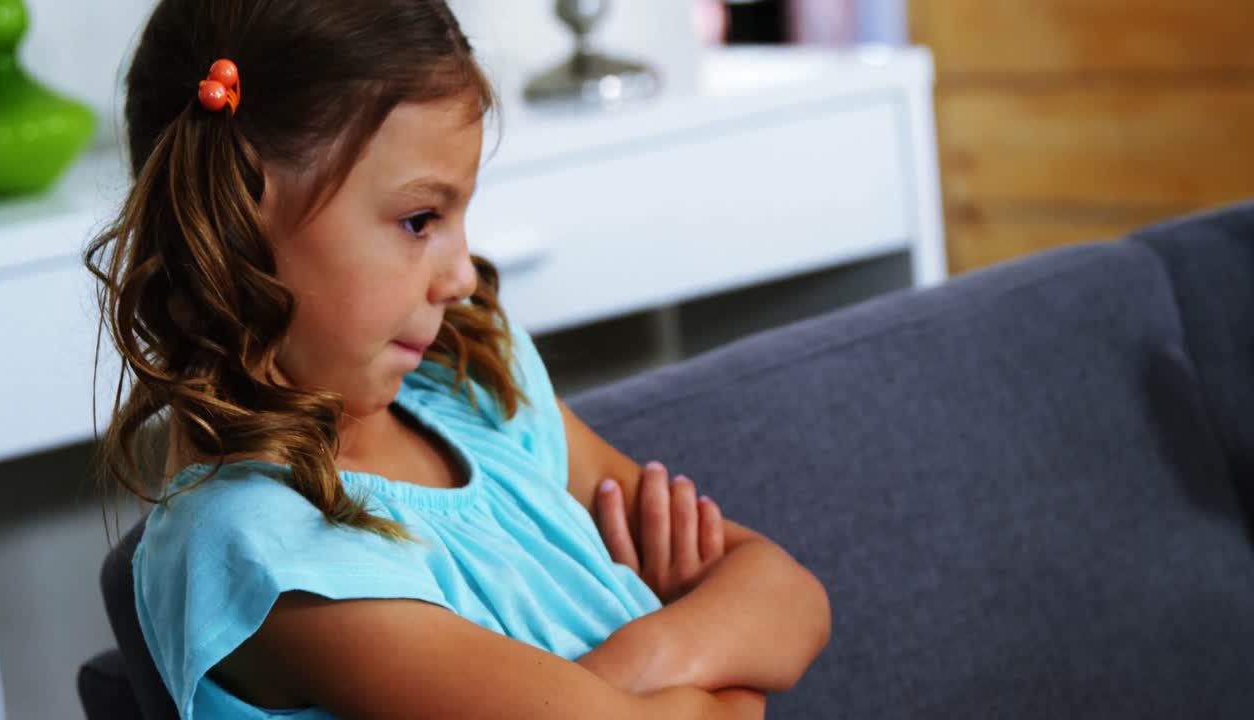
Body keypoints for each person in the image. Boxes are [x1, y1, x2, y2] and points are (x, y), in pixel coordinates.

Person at [84, 1, 830, 718]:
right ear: (237, 220)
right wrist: (727, 661)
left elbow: (791, 598)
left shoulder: (470, 383)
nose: (463, 274)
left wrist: (644, 660)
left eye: (459, 216)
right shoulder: (259, 546)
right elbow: (750, 640)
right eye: (419, 220)